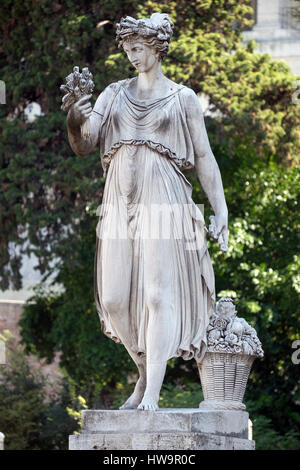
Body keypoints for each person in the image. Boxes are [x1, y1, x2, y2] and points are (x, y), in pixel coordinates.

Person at [66, 13, 228, 411]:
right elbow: (85, 144)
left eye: (138, 48)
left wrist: (219, 208)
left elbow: (204, 155)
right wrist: (73, 120)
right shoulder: (113, 94)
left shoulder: (182, 98)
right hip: (119, 200)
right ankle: (143, 371)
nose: (132, 56)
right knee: (116, 297)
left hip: (165, 198)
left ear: (156, 46)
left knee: (158, 295)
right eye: (127, 49)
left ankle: (152, 392)